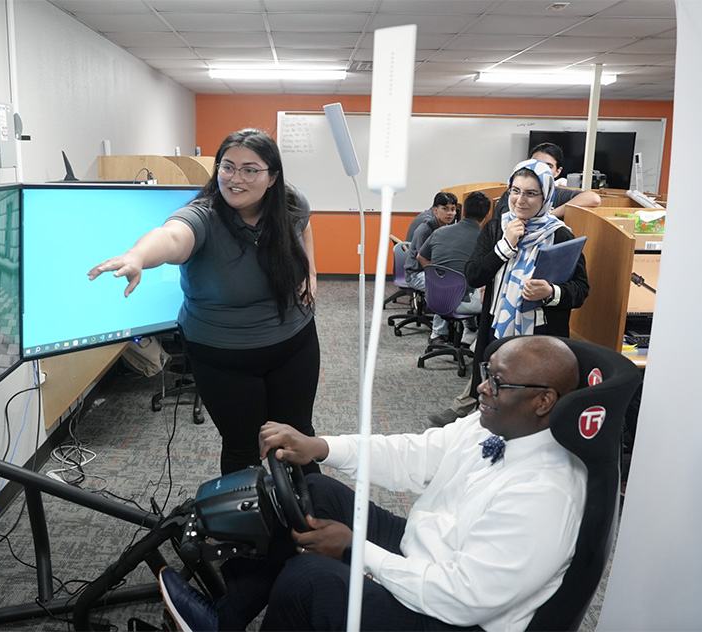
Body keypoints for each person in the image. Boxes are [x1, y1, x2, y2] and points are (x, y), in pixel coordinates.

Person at [158, 335, 585, 632]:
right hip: (429, 552)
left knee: (308, 580)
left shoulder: (545, 493)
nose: (481, 387)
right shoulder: (495, 421)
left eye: (497, 381)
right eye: (486, 373)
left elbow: (461, 598)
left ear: (544, 401)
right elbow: (415, 455)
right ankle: (224, 618)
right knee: (318, 493)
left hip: (455, 616)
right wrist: (320, 447)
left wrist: (355, 550)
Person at [87, 128, 320, 476]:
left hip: (293, 342)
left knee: (298, 438)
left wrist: (311, 272)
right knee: (243, 446)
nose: (235, 179)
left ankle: (308, 517)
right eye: (227, 167)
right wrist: (137, 256)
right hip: (223, 355)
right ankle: (247, 526)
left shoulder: (289, 202)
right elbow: (171, 237)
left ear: (272, 177)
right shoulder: (204, 215)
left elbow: (303, 227)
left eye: (249, 170)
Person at [429, 159, 589, 428]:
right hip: (496, 329)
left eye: (530, 193)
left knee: (530, 403)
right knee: (491, 393)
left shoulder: (560, 235)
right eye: (515, 191)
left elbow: (582, 290)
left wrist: (551, 292)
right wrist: (504, 247)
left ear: (546, 196)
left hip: (541, 336)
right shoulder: (496, 228)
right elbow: (474, 275)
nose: (520, 200)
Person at [416, 190, 491, 343]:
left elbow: (421, 257)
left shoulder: (439, 232)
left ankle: (441, 333)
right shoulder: (485, 240)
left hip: (434, 297)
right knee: (492, 297)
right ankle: (475, 339)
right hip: (461, 303)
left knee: (455, 282)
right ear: (488, 214)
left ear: (462, 211)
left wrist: (435, 278)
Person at [492, 143, 601, 220]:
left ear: (558, 172)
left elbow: (593, 198)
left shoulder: (558, 194)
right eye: (535, 162)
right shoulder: (511, 194)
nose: (539, 169)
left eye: (547, 166)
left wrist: (548, 215)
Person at [404, 192, 457, 293]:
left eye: (453, 209)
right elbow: (423, 259)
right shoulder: (425, 230)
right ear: (435, 210)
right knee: (447, 287)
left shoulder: (445, 228)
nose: (450, 213)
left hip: (433, 269)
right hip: (416, 274)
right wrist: (440, 277)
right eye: (445, 209)